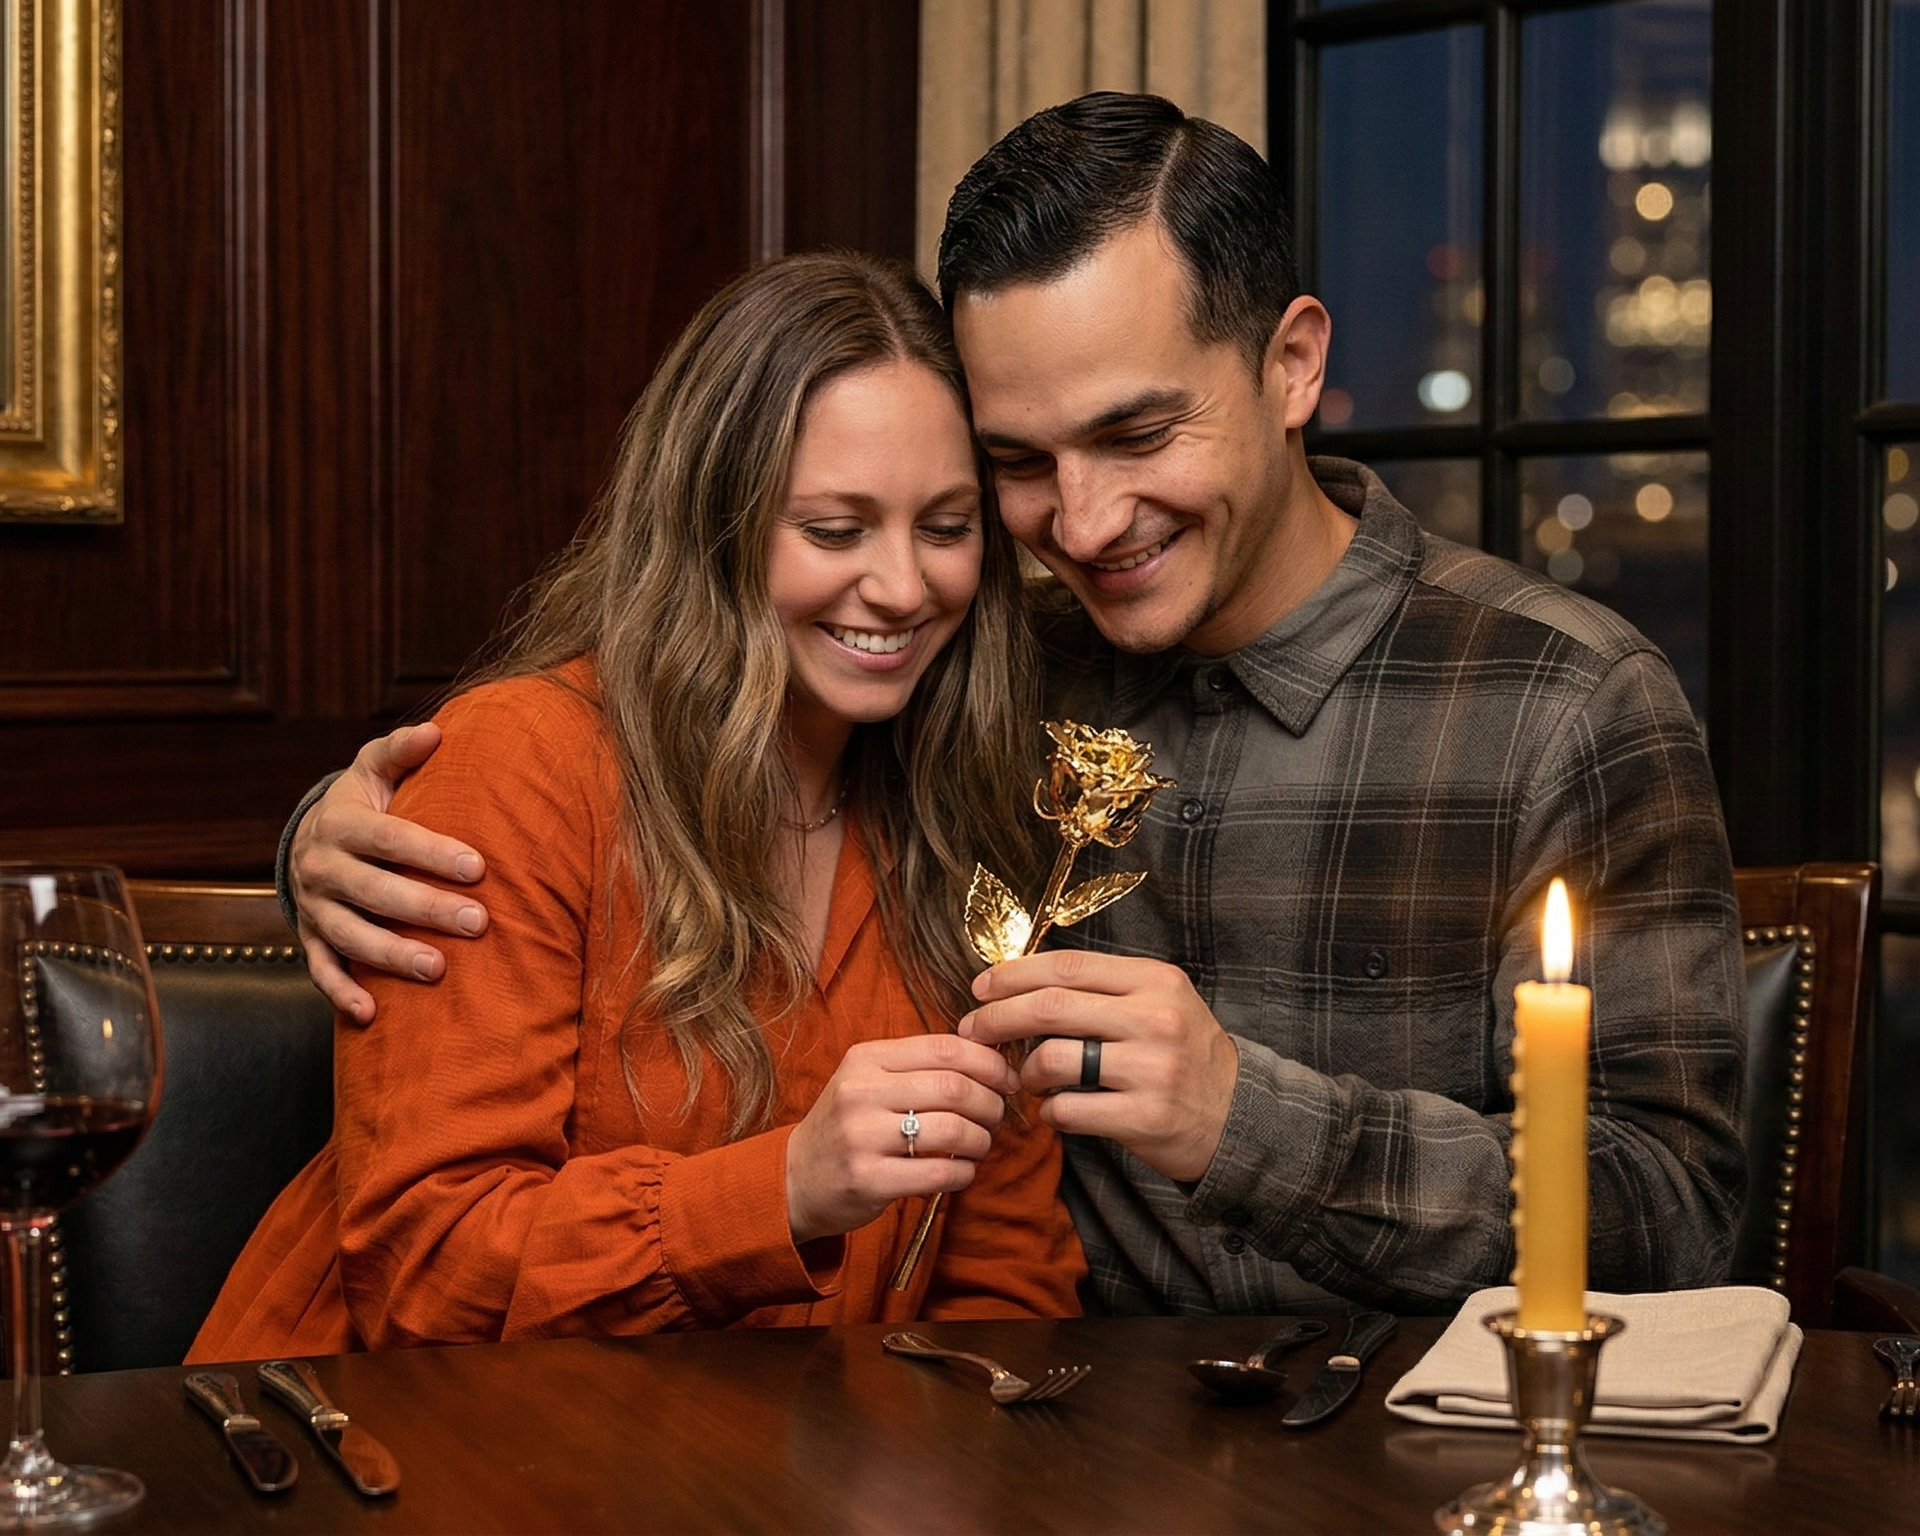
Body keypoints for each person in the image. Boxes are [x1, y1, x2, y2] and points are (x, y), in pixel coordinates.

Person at [277, 94, 1745, 1320]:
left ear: (1293, 362)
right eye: (1020, 467)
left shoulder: (1562, 700)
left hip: (1408, 1444)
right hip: (1022, 1442)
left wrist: (1256, 1120)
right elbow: (618, 752)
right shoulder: (971, 676)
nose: (1087, 521)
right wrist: (321, 841)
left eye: (1136, 431)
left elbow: (1676, 1222)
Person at [187, 252, 1084, 1361]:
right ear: (714, 527)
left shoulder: (967, 821)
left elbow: (1006, 1281)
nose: (903, 588)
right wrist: (786, 1192)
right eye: (835, 530)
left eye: (946, 528)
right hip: (389, 1454)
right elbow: (426, 1273)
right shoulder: (523, 767)